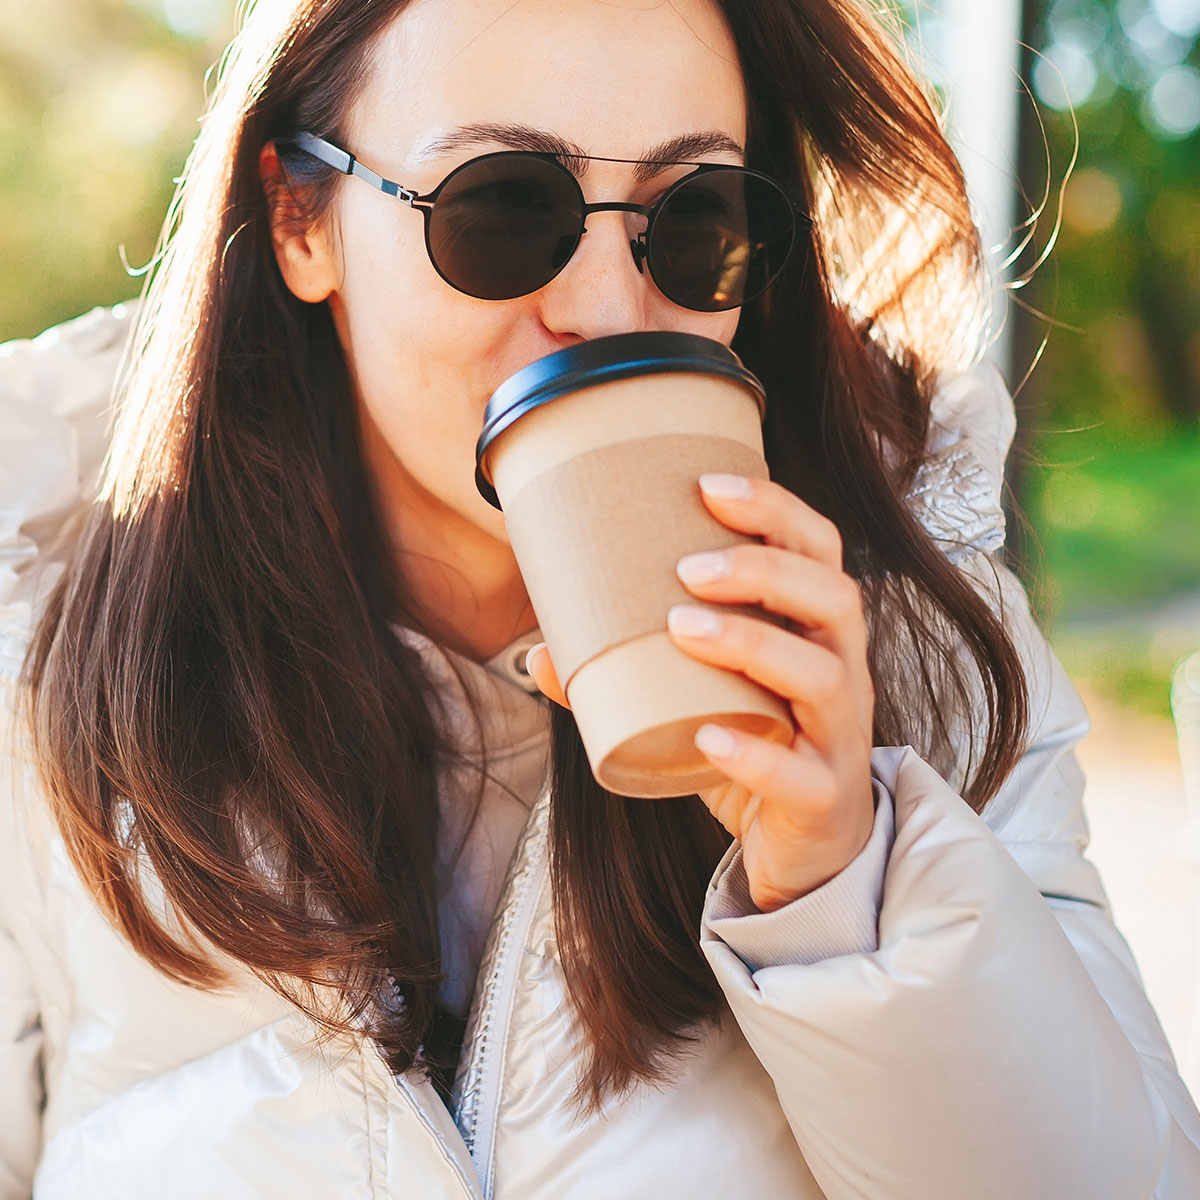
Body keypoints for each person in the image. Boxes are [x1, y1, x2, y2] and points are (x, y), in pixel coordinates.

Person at [2, 0, 1198, 1195]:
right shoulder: (35, 666)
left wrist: (846, 883)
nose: (607, 308)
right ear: (298, 217)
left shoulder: (929, 657)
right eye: (504, 208)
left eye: (695, 220)